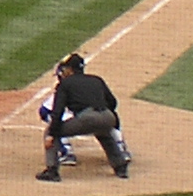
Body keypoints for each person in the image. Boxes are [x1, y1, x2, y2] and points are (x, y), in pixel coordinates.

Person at [37, 53, 131, 182]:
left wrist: (52, 134)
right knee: (103, 133)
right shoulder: (96, 80)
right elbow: (113, 102)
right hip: (108, 117)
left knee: (51, 132)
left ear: (70, 69)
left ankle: (52, 170)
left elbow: (57, 112)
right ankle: (120, 167)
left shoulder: (65, 84)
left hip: (87, 118)